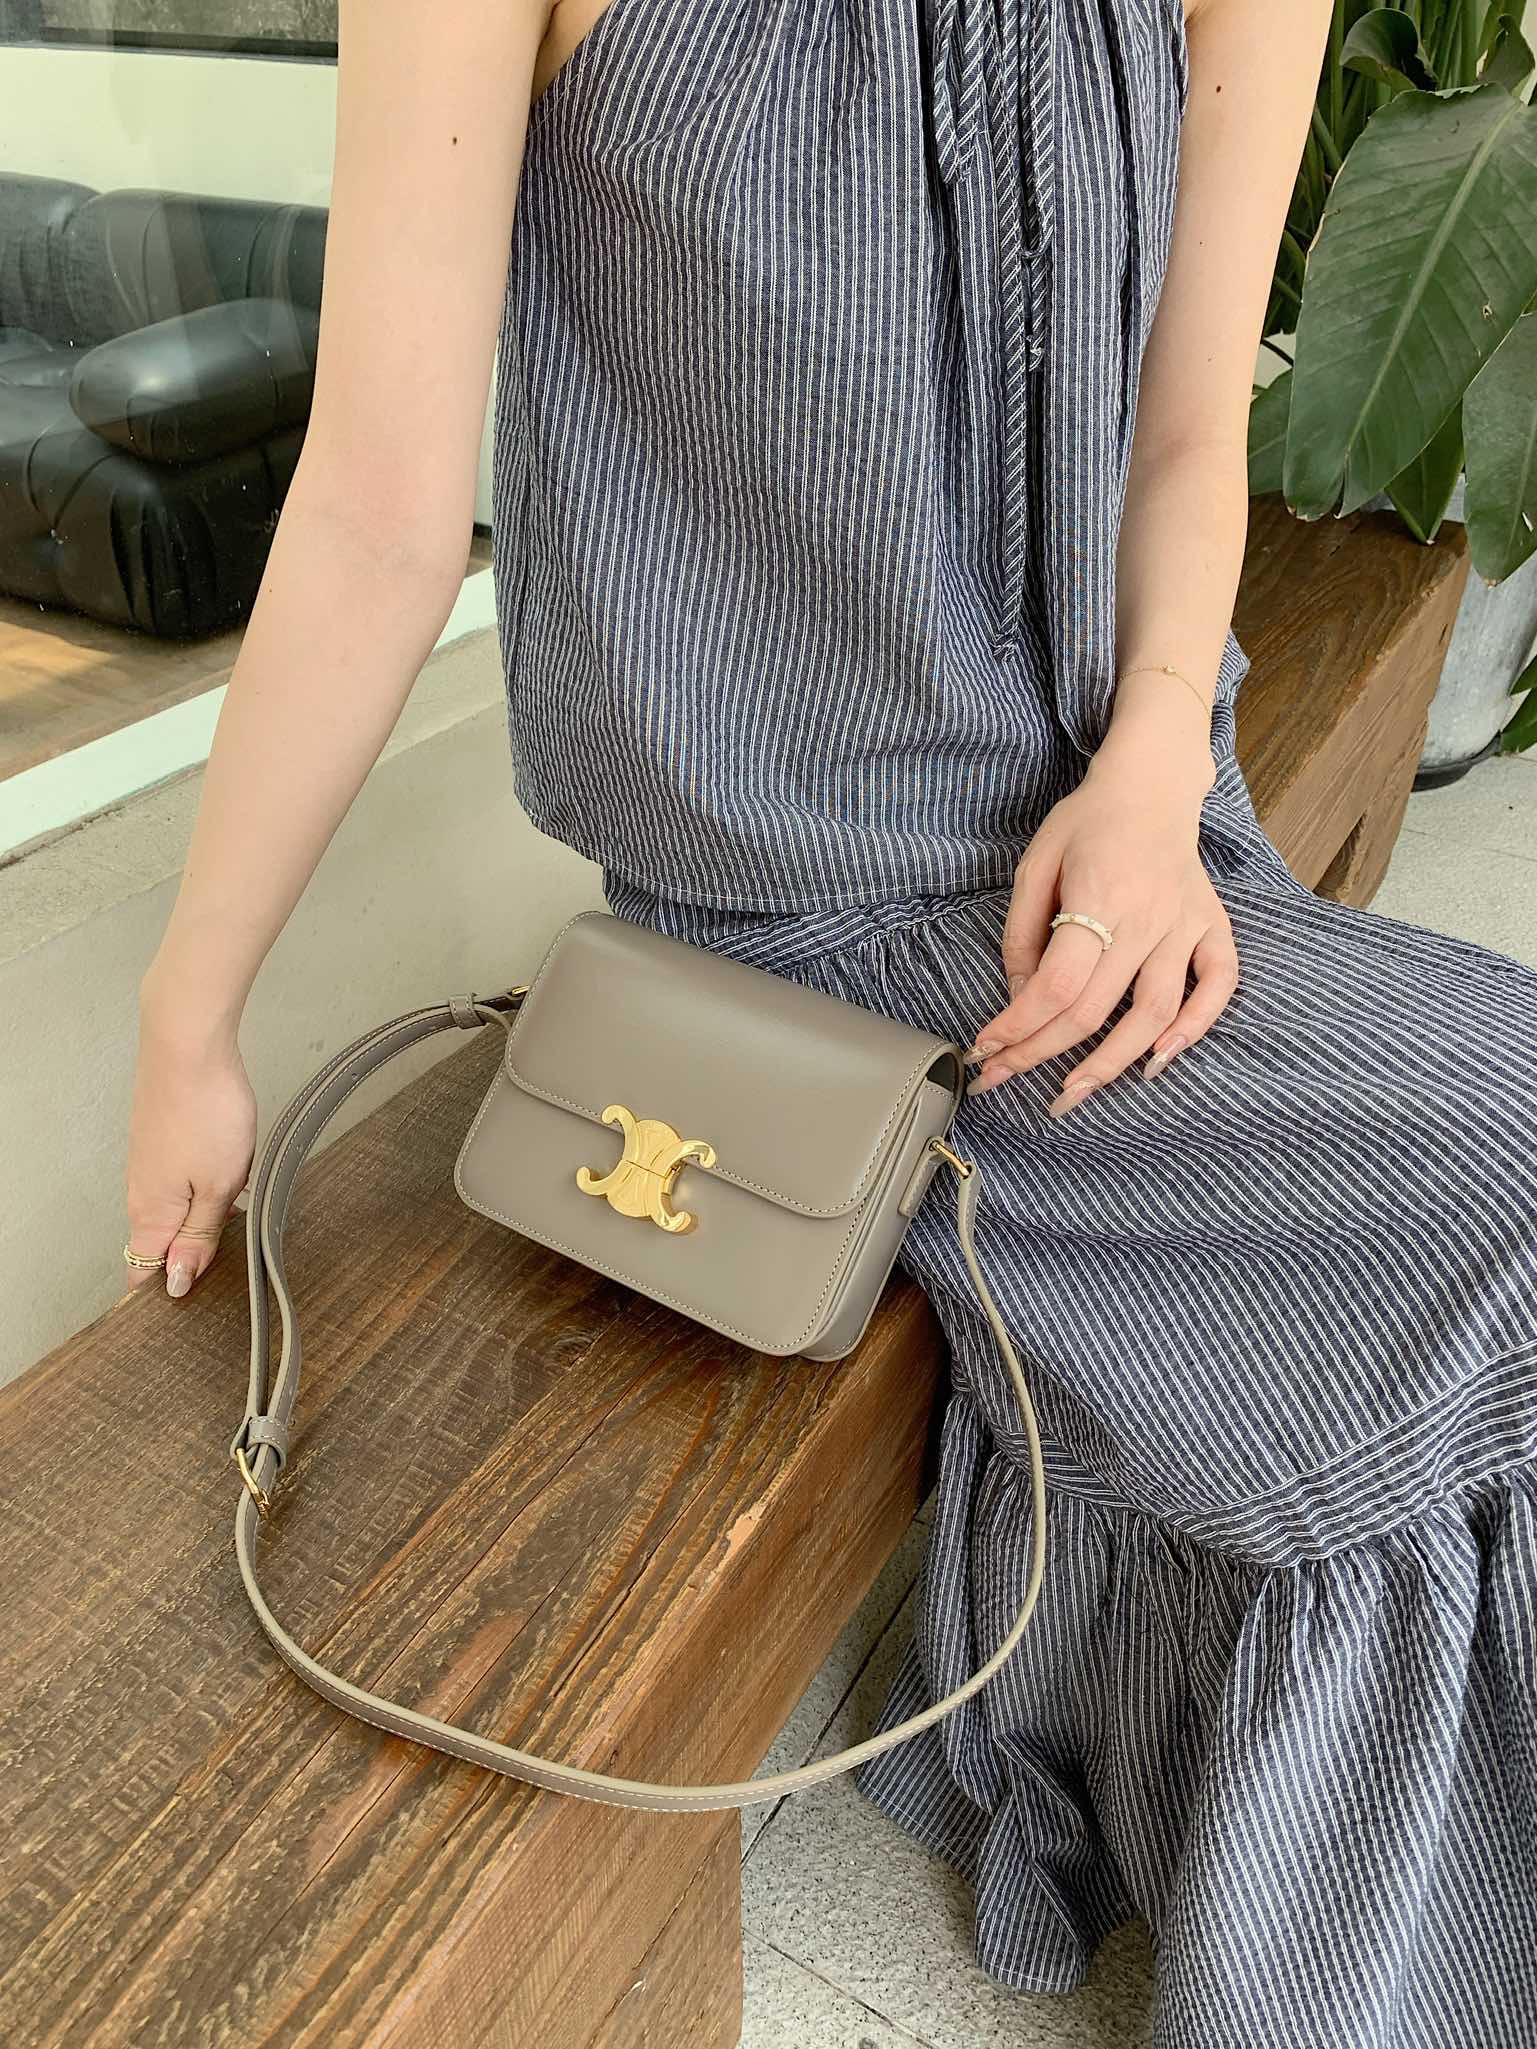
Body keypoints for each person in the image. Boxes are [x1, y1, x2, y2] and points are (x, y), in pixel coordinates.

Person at [126, 0, 1537, 2040]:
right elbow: (375, 506)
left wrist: (1154, 760)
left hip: (1139, 838)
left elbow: (1186, 428)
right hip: (802, 926)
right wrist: (191, 1012)